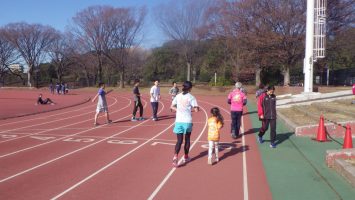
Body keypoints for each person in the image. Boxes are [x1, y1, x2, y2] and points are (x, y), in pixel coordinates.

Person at [171, 81, 199, 167]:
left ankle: (175, 157)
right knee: (187, 140)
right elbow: (196, 110)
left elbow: (171, 107)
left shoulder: (178, 96)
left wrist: (178, 110)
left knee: (179, 141)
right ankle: (186, 156)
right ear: (190, 88)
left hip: (179, 121)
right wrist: (193, 109)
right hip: (187, 121)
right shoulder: (191, 97)